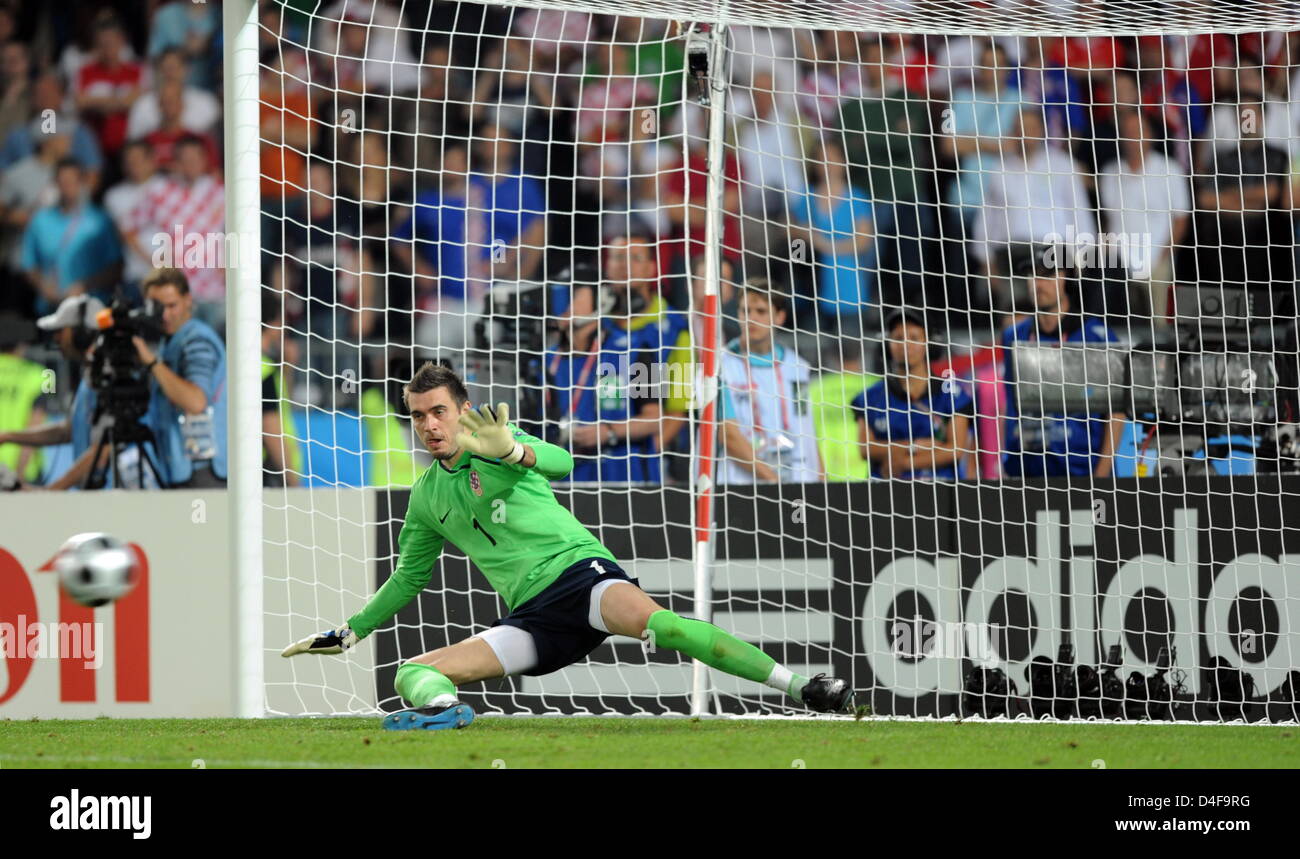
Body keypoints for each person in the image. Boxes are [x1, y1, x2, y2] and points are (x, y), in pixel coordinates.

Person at [281, 362, 853, 729]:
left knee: (669, 628)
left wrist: (512, 452)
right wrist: (352, 631)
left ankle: (802, 687)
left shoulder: (495, 441)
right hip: (533, 621)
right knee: (412, 672)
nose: (429, 425)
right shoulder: (427, 497)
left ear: (460, 410)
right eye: (418, 416)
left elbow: (563, 461)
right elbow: (408, 578)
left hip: (582, 579)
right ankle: (443, 712)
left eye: (439, 411)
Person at [1000, 256, 1126, 479]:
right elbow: (1011, 404)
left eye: (1047, 275)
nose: (1038, 283)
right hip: (1029, 469)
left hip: (1082, 470)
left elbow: (1115, 411)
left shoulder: (1097, 336)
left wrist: (1101, 475)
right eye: (1032, 274)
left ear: (1065, 278)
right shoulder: (1014, 336)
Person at [718, 282, 822, 484]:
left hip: (795, 479)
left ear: (780, 317)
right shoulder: (720, 367)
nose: (751, 318)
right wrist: (774, 482)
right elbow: (728, 436)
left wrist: (821, 478)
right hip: (741, 485)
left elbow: (805, 427)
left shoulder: (797, 367)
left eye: (761, 311)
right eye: (745, 311)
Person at [854, 308, 975, 481]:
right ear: (887, 346)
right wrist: (915, 446)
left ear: (929, 343)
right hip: (884, 491)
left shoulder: (953, 395)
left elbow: (954, 450)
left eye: (914, 338)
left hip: (940, 488)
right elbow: (866, 449)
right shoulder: (870, 397)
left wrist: (905, 463)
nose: (905, 344)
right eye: (898, 338)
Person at [134, 267, 227, 488]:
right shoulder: (172, 340)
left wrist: (151, 362)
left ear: (188, 300)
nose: (165, 315)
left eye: (172, 305)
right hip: (185, 467)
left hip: (203, 469)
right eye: (157, 308)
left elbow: (195, 401)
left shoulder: (197, 340)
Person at [20, 156, 122, 316]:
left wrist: (84, 286)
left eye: (72, 181)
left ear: (82, 183)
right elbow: (28, 264)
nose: (67, 187)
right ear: (55, 184)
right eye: (62, 182)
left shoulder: (99, 220)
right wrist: (43, 287)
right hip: (52, 309)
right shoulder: (40, 220)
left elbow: (116, 266)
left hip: (92, 308)